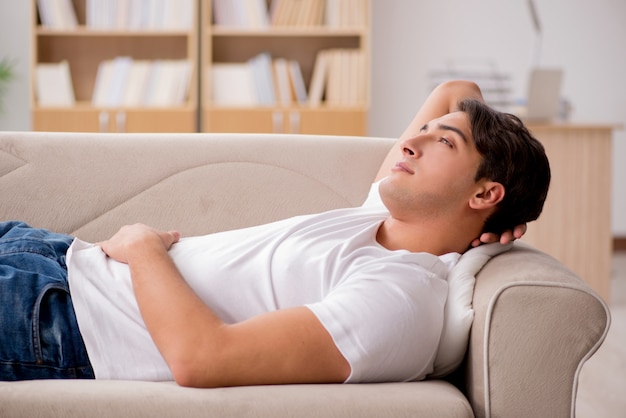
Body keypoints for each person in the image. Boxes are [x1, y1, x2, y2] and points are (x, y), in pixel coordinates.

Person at [0, 80, 550, 387]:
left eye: (442, 144)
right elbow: (456, 90)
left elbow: (203, 359)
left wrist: (142, 246)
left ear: (484, 194)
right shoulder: (381, 217)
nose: (411, 144)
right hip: (50, 256)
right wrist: (489, 198)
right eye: (422, 133)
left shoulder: (397, 298)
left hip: (55, 322)